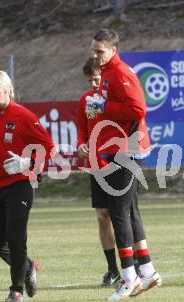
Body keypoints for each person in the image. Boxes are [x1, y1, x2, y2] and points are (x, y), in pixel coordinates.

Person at [0, 69, 56, 302]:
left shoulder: (24, 116)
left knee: (16, 237)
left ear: (8, 91)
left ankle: (16, 290)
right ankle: (28, 266)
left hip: (20, 184)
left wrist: (27, 162)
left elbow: (49, 149)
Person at [87, 28, 161, 301]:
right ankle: (148, 271)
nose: (95, 55)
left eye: (100, 51)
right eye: (93, 50)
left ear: (113, 50)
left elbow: (138, 109)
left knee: (119, 212)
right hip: (117, 148)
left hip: (125, 150)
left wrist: (105, 108)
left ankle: (129, 278)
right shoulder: (106, 72)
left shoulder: (120, 73)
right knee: (129, 211)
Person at [77, 58, 121, 288]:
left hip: (117, 160)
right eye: (89, 80)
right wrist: (81, 144)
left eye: (96, 78)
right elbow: (82, 129)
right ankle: (112, 269)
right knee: (102, 214)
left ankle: (133, 265)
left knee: (120, 215)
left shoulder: (114, 99)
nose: (94, 84)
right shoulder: (85, 100)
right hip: (96, 163)